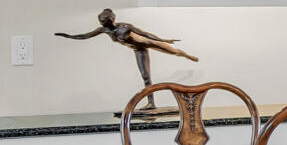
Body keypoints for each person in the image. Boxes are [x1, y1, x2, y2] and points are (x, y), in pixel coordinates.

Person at [56, 8, 198, 86]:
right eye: (100, 21)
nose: (101, 23)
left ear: (111, 20)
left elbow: (146, 34)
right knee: (146, 77)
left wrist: (163, 39)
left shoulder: (125, 27)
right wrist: (68, 36)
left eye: (104, 21)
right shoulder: (103, 30)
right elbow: (85, 36)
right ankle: (151, 103)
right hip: (138, 50)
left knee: (174, 52)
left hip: (148, 43)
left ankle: (188, 55)